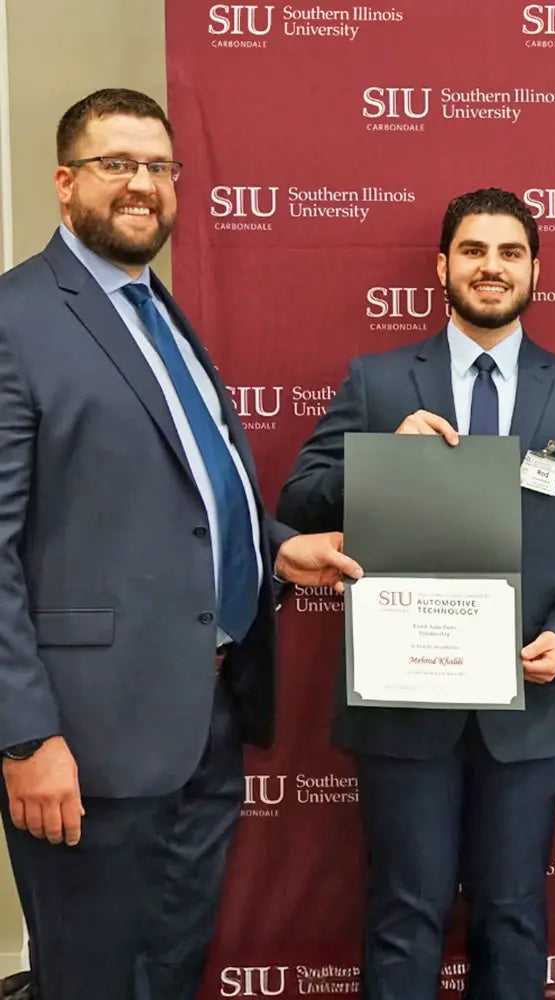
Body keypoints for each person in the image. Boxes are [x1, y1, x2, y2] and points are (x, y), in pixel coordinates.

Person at [0, 88, 360, 1000]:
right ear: (64, 182)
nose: (142, 185)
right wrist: (24, 736)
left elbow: (181, 492)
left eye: (159, 167)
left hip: (206, 715)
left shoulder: (156, 312)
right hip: (89, 737)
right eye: (117, 163)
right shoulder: (18, 319)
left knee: (168, 969)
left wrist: (277, 551)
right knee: (91, 978)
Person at [277, 186, 555, 1000]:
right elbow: (298, 501)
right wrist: (380, 454)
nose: (491, 268)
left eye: (510, 252)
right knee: (405, 910)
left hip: (529, 700)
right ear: (442, 265)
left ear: (535, 269)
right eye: (474, 251)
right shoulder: (376, 382)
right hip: (404, 700)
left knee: (512, 913)